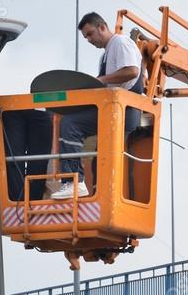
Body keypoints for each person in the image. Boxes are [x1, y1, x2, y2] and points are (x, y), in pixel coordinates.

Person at [52, 11, 144, 199]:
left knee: (71, 124)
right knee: (95, 153)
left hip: (123, 111)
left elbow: (132, 71)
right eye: (85, 37)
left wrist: (101, 80)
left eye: (90, 34)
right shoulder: (104, 56)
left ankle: (73, 181)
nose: (88, 39)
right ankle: (88, 188)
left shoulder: (120, 43)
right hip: (111, 110)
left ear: (102, 27)